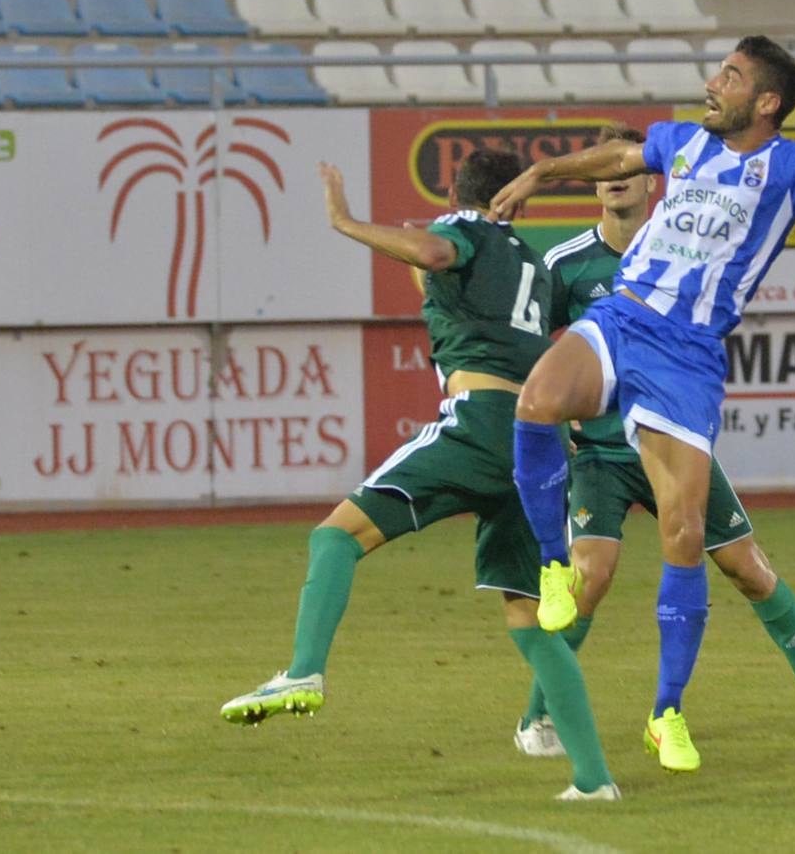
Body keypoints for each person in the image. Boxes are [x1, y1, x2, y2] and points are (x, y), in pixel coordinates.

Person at [493, 26, 795, 772]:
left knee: (684, 538)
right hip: (625, 315)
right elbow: (616, 156)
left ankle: (666, 712)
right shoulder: (682, 141)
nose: (714, 82)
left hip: (687, 354)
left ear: (766, 101)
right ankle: (551, 565)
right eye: (719, 71)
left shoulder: (794, 165)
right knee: (538, 402)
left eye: (731, 76)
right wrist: (546, 170)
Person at [219, 150, 620, 803]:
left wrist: (345, 220)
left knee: (334, 537)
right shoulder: (530, 264)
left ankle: (302, 672)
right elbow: (469, 295)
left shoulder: (463, 233)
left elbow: (435, 253)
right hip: (538, 444)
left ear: (458, 195)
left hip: (482, 422)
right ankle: (593, 779)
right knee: (529, 617)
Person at [511, 125, 795, 765]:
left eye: (627, 171)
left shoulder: (692, 247)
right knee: (587, 581)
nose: (614, 180)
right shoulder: (567, 264)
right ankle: (538, 716)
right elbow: (540, 351)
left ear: (655, 182)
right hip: (602, 456)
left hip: (668, 431)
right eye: (604, 174)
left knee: (749, 570)